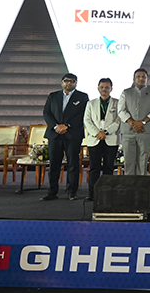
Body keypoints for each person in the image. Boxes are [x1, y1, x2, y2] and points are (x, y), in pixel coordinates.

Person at [41, 73, 89, 201]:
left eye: (72, 81)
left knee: (73, 164)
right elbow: (46, 112)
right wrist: (55, 126)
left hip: (73, 134)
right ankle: (52, 192)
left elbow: (83, 114)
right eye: (66, 80)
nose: (69, 83)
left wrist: (66, 126)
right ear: (62, 82)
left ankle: (72, 192)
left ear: (76, 83)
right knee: (54, 164)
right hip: (55, 134)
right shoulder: (53, 96)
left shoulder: (82, 97)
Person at [117, 68, 150, 176]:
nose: (141, 79)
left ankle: (141, 183)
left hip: (145, 130)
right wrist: (133, 123)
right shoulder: (126, 92)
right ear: (134, 79)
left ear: (147, 79)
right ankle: (129, 183)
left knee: (143, 159)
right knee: (128, 160)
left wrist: (142, 122)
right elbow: (121, 110)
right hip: (128, 131)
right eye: (138, 77)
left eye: (143, 77)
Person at [83, 77, 120, 201]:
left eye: (107, 87)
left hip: (111, 138)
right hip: (95, 139)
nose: (104, 89)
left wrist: (106, 131)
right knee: (94, 168)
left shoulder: (118, 103)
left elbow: (119, 120)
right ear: (98, 88)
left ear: (111, 89)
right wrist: (97, 133)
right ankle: (92, 193)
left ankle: (108, 193)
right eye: (102, 87)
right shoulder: (91, 103)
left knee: (109, 167)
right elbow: (87, 120)